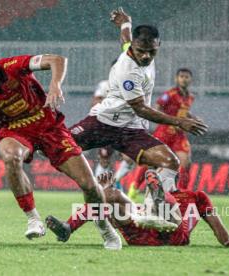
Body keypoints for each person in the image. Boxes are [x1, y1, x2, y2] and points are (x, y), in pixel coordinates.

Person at [0, 48, 123, 249]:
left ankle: (104, 226)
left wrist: (55, 85)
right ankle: (33, 219)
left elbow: (56, 60)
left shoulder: (11, 67)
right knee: (10, 156)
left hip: (50, 128)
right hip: (15, 132)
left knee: (90, 186)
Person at [70, 8, 208, 209]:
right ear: (134, 47)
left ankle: (156, 211)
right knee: (58, 147)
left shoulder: (138, 49)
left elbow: (125, 39)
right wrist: (180, 121)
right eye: (140, 51)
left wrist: (126, 23)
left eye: (151, 51)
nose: (145, 56)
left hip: (131, 130)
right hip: (102, 122)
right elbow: (141, 109)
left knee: (171, 163)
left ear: (157, 45)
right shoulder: (128, 70)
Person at [46, 172, 229, 248]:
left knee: (166, 208)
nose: (163, 172)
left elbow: (216, 225)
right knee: (111, 196)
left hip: (174, 232)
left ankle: (158, 208)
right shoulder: (148, 200)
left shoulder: (196, 197)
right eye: (159, 172)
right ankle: (67, 228)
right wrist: (105, 192)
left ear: (175, 175)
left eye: (163, 171)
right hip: (141, 228)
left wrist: (227, 241)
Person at [128, 68, 199, 200]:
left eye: (187, 77)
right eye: (182, 76)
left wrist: (193, 118)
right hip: (164, 132)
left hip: (178, 134)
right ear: (176, 79)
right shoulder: (169, 94)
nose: (184, 79)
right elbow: (157, 107)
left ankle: (182, 195)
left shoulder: (190, 97)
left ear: (190, 80)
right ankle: (135, 187)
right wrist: (164, 119)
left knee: (186, 162)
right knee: (151, 161)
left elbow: (182, 111)